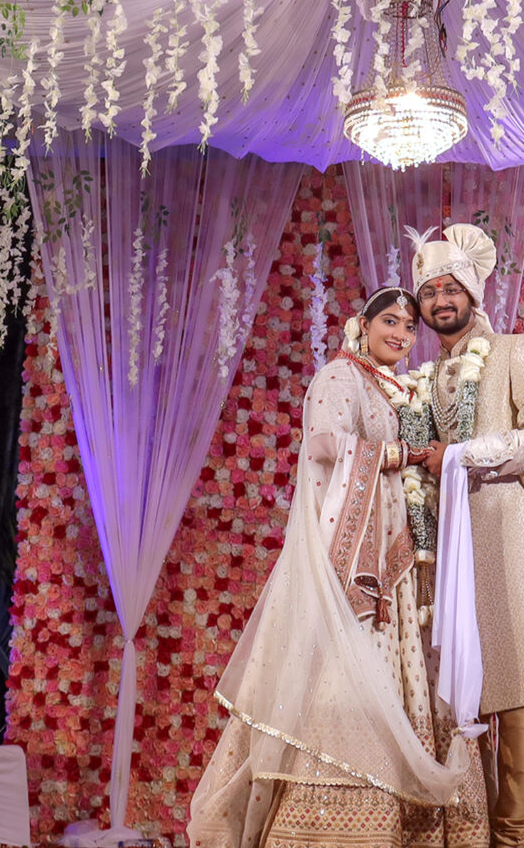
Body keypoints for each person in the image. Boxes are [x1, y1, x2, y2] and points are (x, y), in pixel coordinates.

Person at [190, 287, 489, 848]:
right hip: (350, 564)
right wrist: (402, 455)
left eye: (409, 326)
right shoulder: (340, 376)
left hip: (392, 561)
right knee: (343, 682)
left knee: (394, 682)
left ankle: (405, 829)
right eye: (390, 322)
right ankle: (326, 831)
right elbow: (326, 444)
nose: (401, 334)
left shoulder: (391, 387)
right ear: (363, 325)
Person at [407, 225, 524, 848]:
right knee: (465, 693)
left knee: (517, 686)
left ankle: (513, 836)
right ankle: (473, 833)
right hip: (451, 550)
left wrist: (466, 455)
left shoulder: (513, 350)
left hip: (512, 540)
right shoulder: (424, 378)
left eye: (450, 288)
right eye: (429, 292)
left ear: (472, 292)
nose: (440, 300)